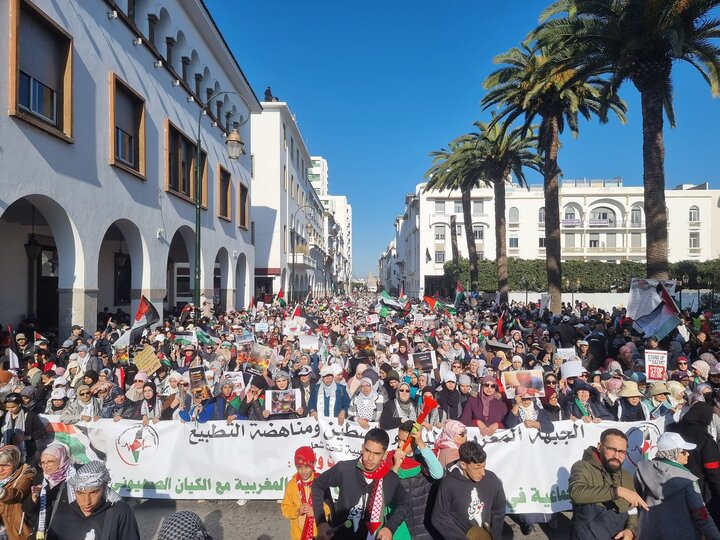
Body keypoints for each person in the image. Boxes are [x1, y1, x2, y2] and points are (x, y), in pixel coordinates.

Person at [312, 428, 409, 540]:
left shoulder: (390, 479)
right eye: (367, 451)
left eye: (377, 453)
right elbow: (318, 485)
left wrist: (390, 527)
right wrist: (321, 522)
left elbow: (404, 504)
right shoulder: (344, 469)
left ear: (385, 455)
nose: (370, 458)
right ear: (362, 448)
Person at [634, 432, 720, 539]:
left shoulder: (641, 471)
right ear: (673, 453)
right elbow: (701, 515)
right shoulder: (687, 479)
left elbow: (637, 503)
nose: (688, 454)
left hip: (648, 534)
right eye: (683, 451)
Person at [569, 428, 646, 540]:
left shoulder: (626, 476)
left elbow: (632, 510)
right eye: (611, 449)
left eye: (622, 452)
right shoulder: (582, 466)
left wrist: (630, 530)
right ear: (600, 447)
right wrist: (617, 491)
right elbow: (576, 493)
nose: (617, 456)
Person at [430, 441, 506, 540]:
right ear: (463, 465)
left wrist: (496, 535)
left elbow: (499, 509)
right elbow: (439, 517)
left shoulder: (491, 479)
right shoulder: (449, 483)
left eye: (484, 466)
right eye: (476, 468)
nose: (482, 472)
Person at [48, 461, 140, 540]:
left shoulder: (119, 512)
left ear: (103, 488)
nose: (87, 501)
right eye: (80, 493)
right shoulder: (63, 515)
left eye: (93, 493)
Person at [389, 420, 443, 540]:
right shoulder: (391, 458)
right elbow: (387, 488)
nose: (400, 444)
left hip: (425, 528)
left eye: (404, 441)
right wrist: (396, 466)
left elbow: (438, 474)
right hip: (402, 527)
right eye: (399, 439)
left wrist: (421, 443)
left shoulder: (423, 457)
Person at [667, 401, 720, 522]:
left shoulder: (671, 429)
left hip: (673, 485)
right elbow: (713, 472)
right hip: (701, 490)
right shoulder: (705, 439)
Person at [281, 446, 329, 540]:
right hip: (298, 535)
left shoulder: (321, 483)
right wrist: (297, 511)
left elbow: (329, 507)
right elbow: (285, 508)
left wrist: (316, 512)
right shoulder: (291, 485)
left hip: (318, 534)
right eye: (299, 468)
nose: (303, 471)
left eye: (307, 467)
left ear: (314, 463)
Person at [31, 443, 75, 539]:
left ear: (62, 460)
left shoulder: (74, 479)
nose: (46, 466)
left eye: (50, 461)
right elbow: (29, 512)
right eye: (42, 463)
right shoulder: (40, 479)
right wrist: (35, 498)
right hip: (45, 532)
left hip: (67, 531)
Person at [1, 392, 46, 465]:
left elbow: (42, 431)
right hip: (8, 453)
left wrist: (27, 437)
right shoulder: (5, 416)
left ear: (19, 404)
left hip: (27, 451)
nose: (10, 410)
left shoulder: (30, 415)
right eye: (8, 407)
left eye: (13, 407)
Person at [0, 445, 34, 540]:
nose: (1, 470)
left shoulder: (25, 476)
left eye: (6, 465)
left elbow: (19, 494)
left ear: (15, 464)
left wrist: (3, 493)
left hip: (11, 529)